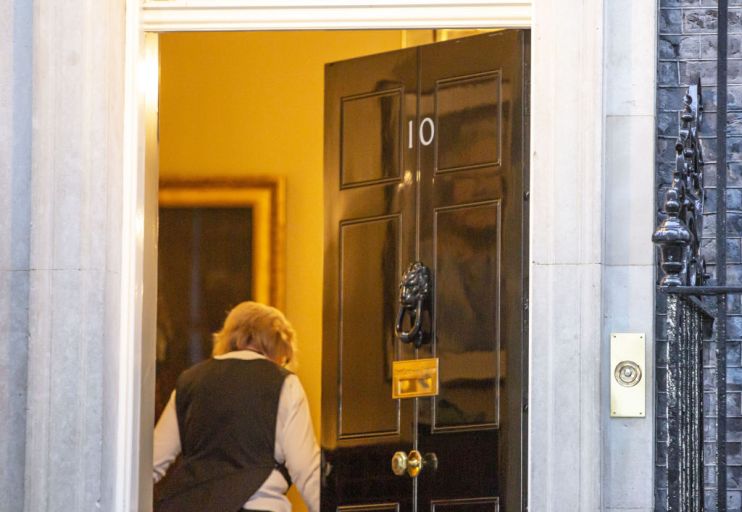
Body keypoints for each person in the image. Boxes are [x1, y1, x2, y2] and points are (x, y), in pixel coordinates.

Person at [153, 301, 320, 512]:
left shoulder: (188, 382)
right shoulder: (284, 384)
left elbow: (152, 462)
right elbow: (307, 472)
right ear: (279, 345)